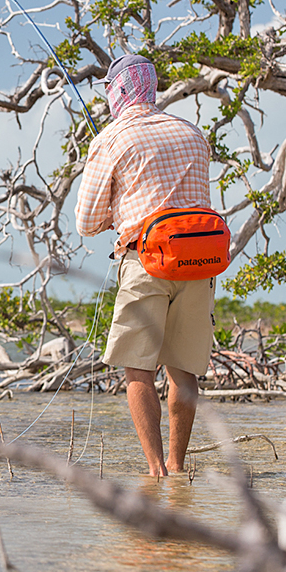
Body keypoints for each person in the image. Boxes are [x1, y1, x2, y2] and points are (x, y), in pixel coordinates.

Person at [74, 54, 215, 477]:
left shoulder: (111, 138)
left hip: (145, 260)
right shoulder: (193, 132)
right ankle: (177, 464)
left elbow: (85, 222)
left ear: (116, 91)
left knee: (138, 368)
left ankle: (155, 470)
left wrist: (117, 212)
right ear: (151, 87)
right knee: (183, 371)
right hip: (198, 262)